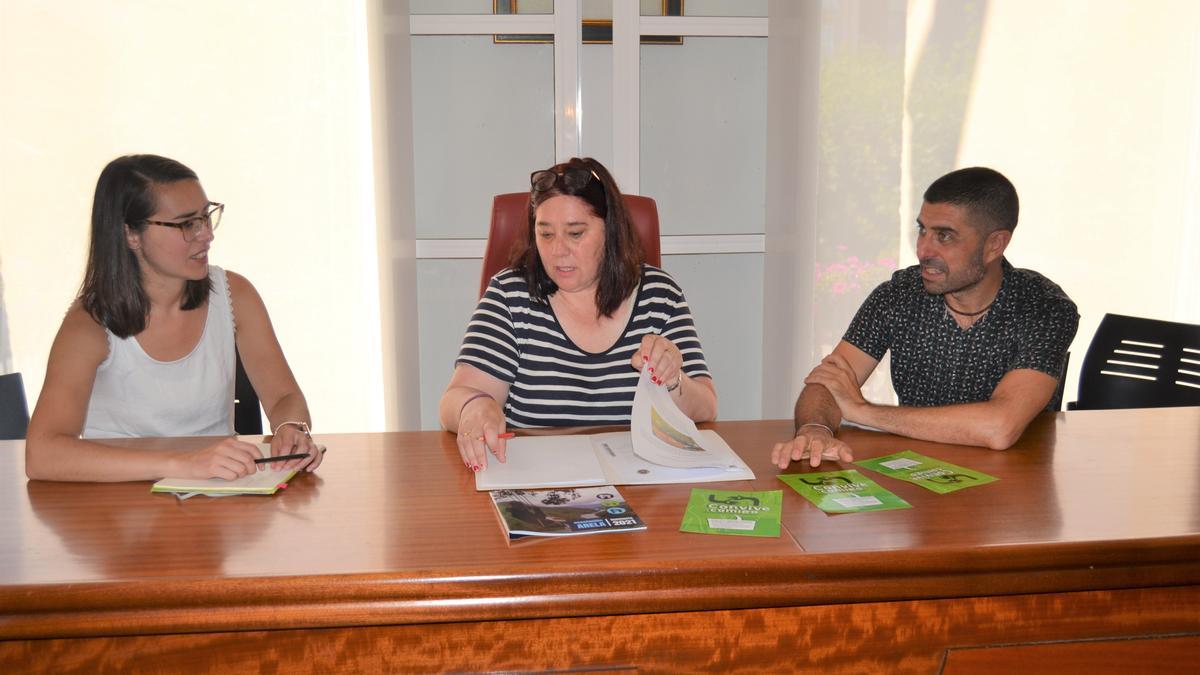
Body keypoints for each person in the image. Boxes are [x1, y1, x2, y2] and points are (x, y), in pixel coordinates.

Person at [25, 154, 323, 481]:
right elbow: (42, 454)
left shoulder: (234, 294)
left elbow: (284, 396)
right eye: (186, 224)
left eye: (205, 216)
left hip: (217, 496)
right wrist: (182, 464)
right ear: (130, 235)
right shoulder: (90, 324)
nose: (205, 235)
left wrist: (290, 427)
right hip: (118, 507)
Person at [773, 167, 1078, 469]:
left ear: (994, 245)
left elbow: (999, 428)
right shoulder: (898, 294)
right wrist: (816, 429)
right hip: (918, 478)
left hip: (1013, 490)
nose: (923, 250)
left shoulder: (1043, 309)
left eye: (944, 236)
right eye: (922, 231)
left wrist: (862, 411)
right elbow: (828, 383)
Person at [440, 157, 717, 472]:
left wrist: (672, 379)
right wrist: (475, 406)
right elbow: (453, 400)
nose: (558, 250)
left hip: (639, 484)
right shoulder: (511, 294)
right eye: (545, 235)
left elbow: (705, 407)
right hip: (538, 482)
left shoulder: (658, 294)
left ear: (610, 231)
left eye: (575, 234)